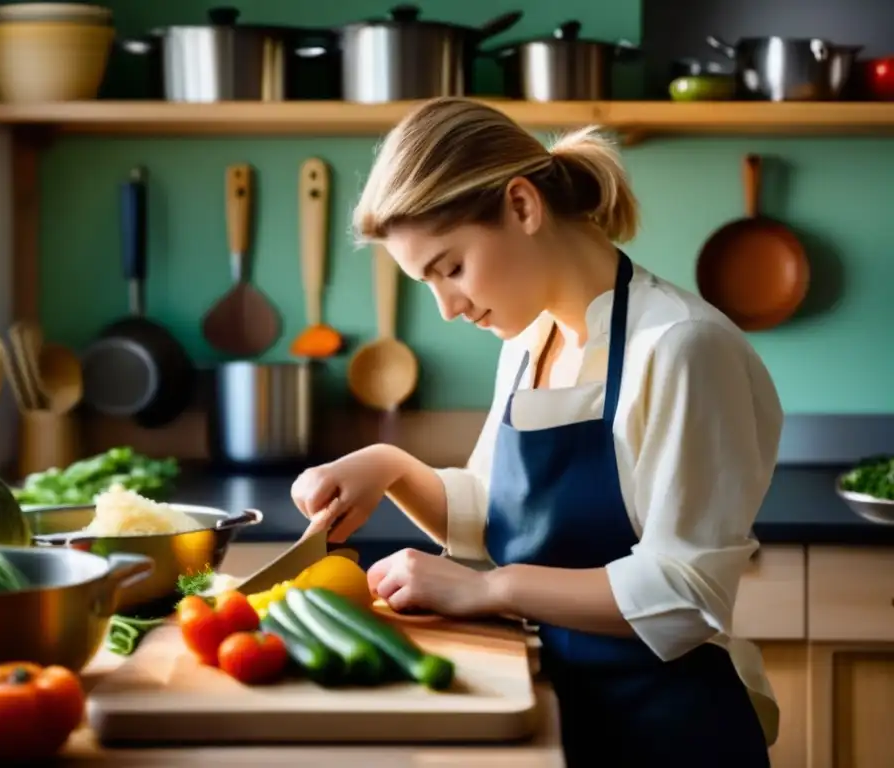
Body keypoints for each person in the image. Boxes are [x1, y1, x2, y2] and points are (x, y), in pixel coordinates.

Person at [291, 97, 782, 766]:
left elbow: (685, 590)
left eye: (451, 267)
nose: (448, 307)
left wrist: (491, 589)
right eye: (427, 281)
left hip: (668, 732)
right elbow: (497, 513)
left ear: (522, 207)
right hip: (561, 714)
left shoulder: (682, 348)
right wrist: (390, 467)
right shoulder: (529, 340)